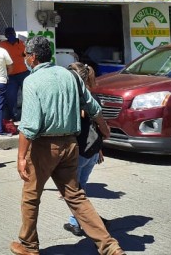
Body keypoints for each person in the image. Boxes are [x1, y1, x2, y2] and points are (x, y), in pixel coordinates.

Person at [12, 35, 125, 255]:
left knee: (31, 197)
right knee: (76, 197)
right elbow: (93, 107)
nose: (25, 58)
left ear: (33, 57)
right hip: (70, 145)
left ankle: (28, 246)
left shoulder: (32, 81)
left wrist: (21, 157)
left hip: (44, 147)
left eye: (26, 55)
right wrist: (104, 128)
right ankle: (110, 248)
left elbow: (29, 125)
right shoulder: (70, 75)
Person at [64, 62, 104, 237]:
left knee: (75, 191)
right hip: (92, 150)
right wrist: (100, 150)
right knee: (82, 187)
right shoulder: (93, 98)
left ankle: (79, 222)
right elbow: (96, 127)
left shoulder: (76, 101)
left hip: (79, 151)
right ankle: (85, 219)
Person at [0, 26, 28, 121]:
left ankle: (27, 115)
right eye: (8, 35)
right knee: (11, 97)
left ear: (15, 34)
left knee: (28, 95)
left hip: (24, 73)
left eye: (12, 34)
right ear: (6, 36)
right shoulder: (2, 45)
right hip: (11, 75)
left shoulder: (22, 44)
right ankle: (14, 116)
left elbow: (27, 56)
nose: (10, 36)